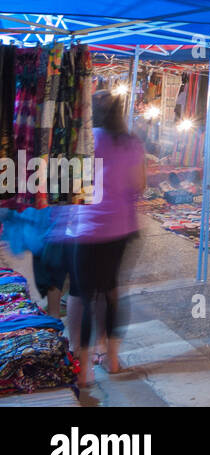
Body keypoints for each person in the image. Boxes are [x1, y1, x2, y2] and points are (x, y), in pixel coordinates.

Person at [67, 91, 146, 378]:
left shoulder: (84, 141)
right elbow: (139, 184)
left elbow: (70, 185)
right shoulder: (132, 143)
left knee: (86, 296)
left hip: (87, 228)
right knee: (111, 292)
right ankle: (112, 359)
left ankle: (84, 370)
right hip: (121, 229)